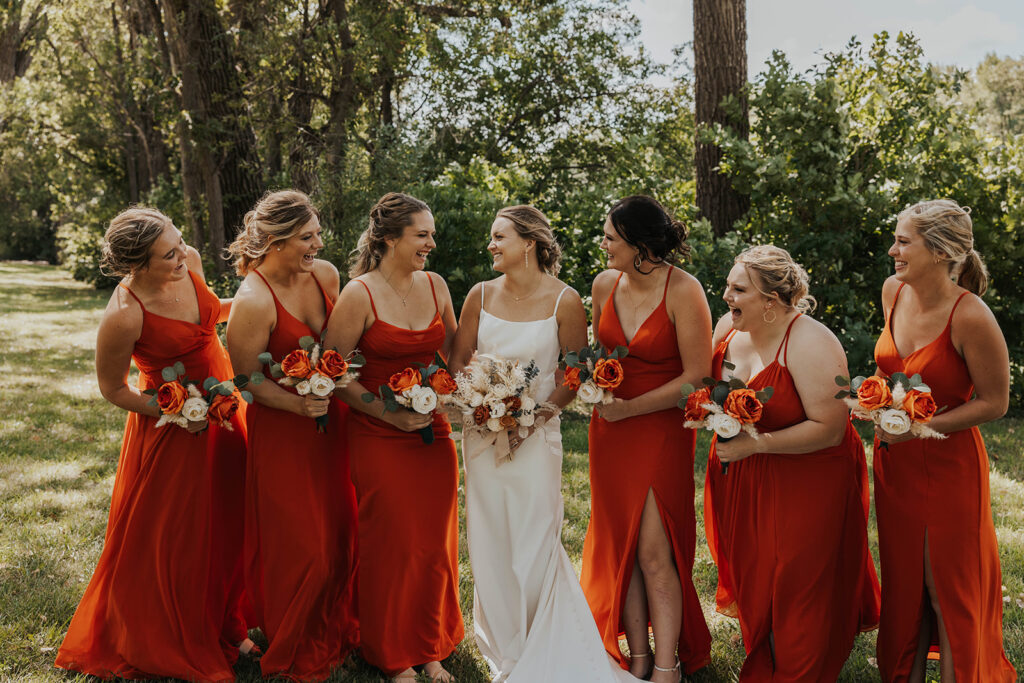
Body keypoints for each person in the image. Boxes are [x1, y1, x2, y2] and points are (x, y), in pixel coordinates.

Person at [55, 207, 251, 682]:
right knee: (179, 537)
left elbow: (210, 313)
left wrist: (255, 305)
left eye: (180, 241)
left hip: (226, 405)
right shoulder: (125, 314)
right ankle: (174, 630)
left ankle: (226, 620)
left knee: (230, 518)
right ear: (139, 265)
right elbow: (114, 388)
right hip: (174, 431)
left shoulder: (192, 261)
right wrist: (176, 411)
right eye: (169, 253)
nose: (182, 254)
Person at [449, 205, 639, 682]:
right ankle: (506, 650)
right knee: (490, 542)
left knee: (533, 541)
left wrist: (530, 422)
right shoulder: (479, 294)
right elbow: (458, 365)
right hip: (481, 437)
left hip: (536, 437)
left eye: (499, 237)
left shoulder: (565, 300)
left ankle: (544, 640)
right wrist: (479, 406)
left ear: (528, 242)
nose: (491, 246)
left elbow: (573, 374)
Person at [704, 244, 880, 682]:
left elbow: (830, 428)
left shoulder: (811, 342)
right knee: (756, 581)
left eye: (738, 288)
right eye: (727, 285)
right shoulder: (728, 327)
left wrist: (755, 445)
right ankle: (766, 661)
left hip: (809, 478)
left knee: (799, 588)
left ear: (771, 301)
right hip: (744, 477)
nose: (726, 295)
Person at [873, 200, 1016, 682]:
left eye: (903, 241)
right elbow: (888, 365)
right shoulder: (893, 291)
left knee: (945, 590)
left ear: (938, 251)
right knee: (905, 589)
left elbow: (995, 403)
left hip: (949, 466)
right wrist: (876, 399)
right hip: (896, 464)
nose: (893, 250)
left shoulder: (970, 316)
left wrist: (923, 426)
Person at [323, 192, 463, 682]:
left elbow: (456, 355)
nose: (431, 243)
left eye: (431, 234)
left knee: (431, 543)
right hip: (376, 433)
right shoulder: (358, 294)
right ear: (389, 238)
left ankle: (429, 647)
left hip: (433, 434)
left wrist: (456, 394)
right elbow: (333, 373)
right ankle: (392, 652)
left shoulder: (436, 284)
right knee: (392, 543)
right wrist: (388, 413)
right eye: (421, 235)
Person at [226, 190, 358, 680]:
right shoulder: (253, 299)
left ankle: (333, 627)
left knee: (339, 532)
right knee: (301, 543)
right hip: (283, 429)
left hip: (331, 425)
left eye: (317, 233)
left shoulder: (325, 276)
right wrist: (299, 403)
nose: (319, 244)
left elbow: (343, 346)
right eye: (308, 237)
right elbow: (246, 381)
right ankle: (293, 637)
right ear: (277, 240)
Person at [580, 196, 712, 682]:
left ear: (638, 243)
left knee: (655, 551)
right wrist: (592, 383)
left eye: (611, 237)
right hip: (609, 433)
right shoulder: (602, 284)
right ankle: (636, 657)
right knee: (623, 547)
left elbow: (698, 377)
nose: (604, 245)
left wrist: (630, 408)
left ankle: (667, 665)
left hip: (659, 429)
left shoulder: (684, 290)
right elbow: (597, 355)